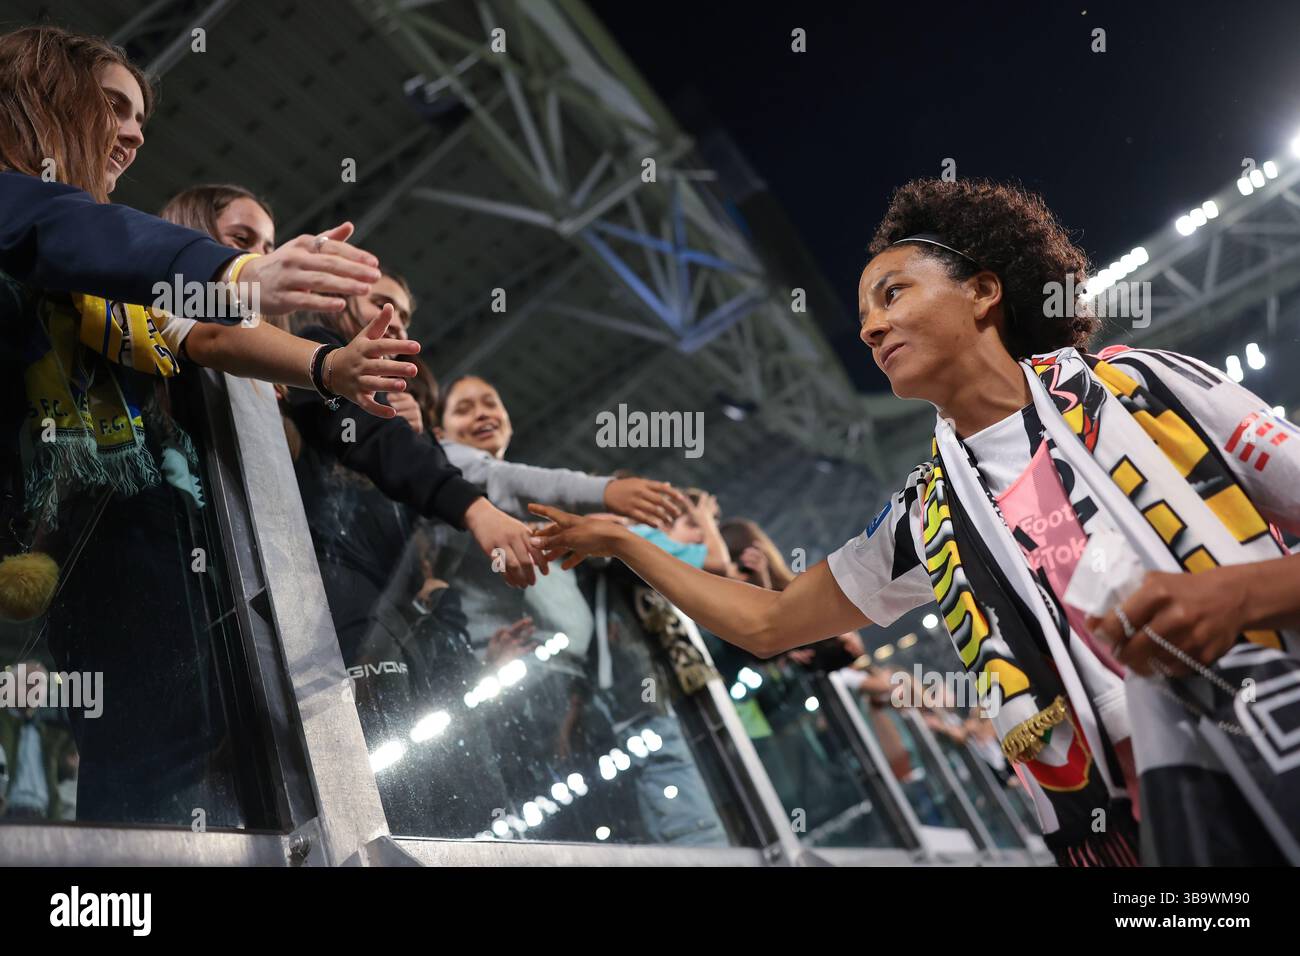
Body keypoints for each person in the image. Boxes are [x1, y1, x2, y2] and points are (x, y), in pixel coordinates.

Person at [530, 177, 1300, 866]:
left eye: (892, 294)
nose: (868, 328)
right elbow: (769, 625)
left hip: (1276, 722)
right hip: (1132, 825)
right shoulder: (924, 516)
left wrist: (1240, 596)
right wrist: (623, 543)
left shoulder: (1140, 387)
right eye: (864, 312)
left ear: (984, 291)